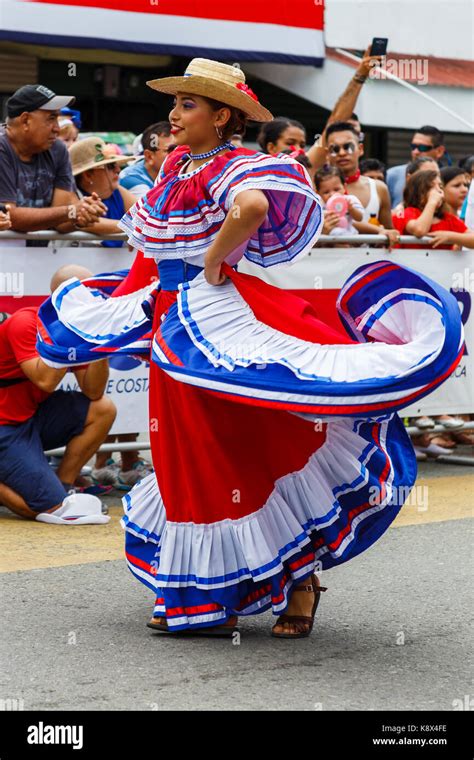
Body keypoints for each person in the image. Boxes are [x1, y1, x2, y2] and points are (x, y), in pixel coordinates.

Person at [36, 59, 463, 639]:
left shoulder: (232, 164)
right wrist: (126, 284)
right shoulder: (177, 168)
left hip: (213, 323)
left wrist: (214, 260)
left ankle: (300, 581)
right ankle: (200, 594)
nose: (174, 113)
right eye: (177, 102)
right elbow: (152, 246)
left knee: (248, 445)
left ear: (223, 115)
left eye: (188, 104)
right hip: (174, 327)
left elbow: (254, 208)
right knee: (188, 456)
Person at [0, 264, 116, 523]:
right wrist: (67, 335)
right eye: (88, 295)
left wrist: (100, 342)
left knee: (103, 409)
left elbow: (93, 391)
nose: (95, 301)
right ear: (63, 296)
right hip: (4, 425)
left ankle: (63, 485)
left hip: (30, 417)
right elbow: (45, 380)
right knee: (40, 509)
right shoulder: (25, 322)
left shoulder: (75, 329)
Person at [0, 85, 105, 235]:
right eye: (51, 118)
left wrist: (82, 216)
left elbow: (61, 224)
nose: (57, 128)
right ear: (25, 121)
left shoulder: (58, 150)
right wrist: (71, 211)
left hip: (41, 256)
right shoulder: (2, 147)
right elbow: (8, 216)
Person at [325, 121, 399, 244]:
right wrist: (323, 233)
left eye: (348, 147)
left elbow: (390, 233)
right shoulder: (316, 189)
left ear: (360, 149)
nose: (342, 153)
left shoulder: (379, 188)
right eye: (335, 149)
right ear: (327, 154)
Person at [69, 137, 136, 247]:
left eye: (116, 164)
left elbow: (147, 216)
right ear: (88, 175)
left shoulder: (117, 192)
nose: (118, 170)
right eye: (110, 166)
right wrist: (132, 227)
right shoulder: (72, 195)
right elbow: (87, 222)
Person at [392, 170, 474, 250]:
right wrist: (432, 202)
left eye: (440, 187)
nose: (438, 191)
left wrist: (450, 237)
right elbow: (419, 230)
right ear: (418, 193)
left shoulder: (448, 219)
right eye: (430, 187)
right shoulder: (409, 212)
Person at [387, 126, 446, 207]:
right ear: (408, 177)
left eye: (423, 148)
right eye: (413, 146)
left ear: (439, 151)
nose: (415, 152)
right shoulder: (392, 175)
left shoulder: (448, 177)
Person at [119, 121, 174, 198]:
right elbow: (154, 209)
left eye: (181, 148)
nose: (179, 153)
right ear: (149, 156)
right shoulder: (131, 179)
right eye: (171, 150)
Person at [314, 166, 363, 237]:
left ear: (344, 187)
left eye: (336, 189)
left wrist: (352, 209)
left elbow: (360, 218)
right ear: (318, 193)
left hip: (350, 237)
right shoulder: (318, 206)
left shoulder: (350, 200)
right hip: (330, 241)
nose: (332, 194)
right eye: (326, 192)